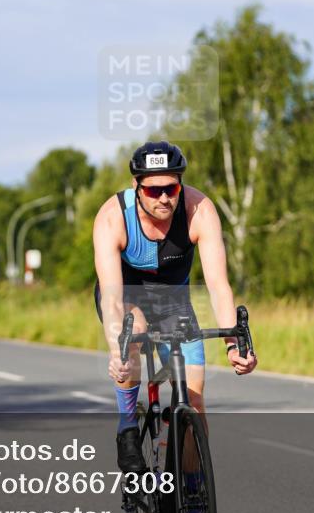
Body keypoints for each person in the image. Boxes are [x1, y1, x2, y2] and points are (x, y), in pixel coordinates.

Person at [93, 141, 257, 474]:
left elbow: (218, 285)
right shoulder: (113, 217)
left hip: (173, 304)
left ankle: (192, 492)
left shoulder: (199, 210)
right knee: (134, 332)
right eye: (154, 191)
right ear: (136, 187)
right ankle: (127, 429)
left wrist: (232, 345)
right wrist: (117, 352)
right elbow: (111, 297)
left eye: (171, 188)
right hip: (126, 298)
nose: (164, 197)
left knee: (194, 401)